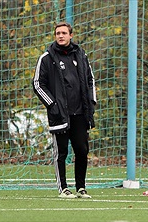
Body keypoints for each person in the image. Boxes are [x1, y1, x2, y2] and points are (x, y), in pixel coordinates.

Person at [33, 22, 96, 199]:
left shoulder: (81, 55)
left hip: (80, 113)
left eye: (63, 33)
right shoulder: (46, 57)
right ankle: (63, 189)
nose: (60, 36)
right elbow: (38, 84)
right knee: (61, 152)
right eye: (57, 33)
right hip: (60, 114)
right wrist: (52, 104)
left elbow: (90, 79)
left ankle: (81, 188)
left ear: (70, 35)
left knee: (82, 150)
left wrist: (91, 102)